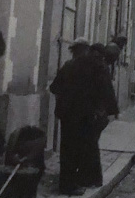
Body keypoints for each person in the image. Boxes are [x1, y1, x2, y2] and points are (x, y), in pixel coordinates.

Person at [50, 38, 112, 196]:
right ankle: (73, 185)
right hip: (84, 116)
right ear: (87, 50)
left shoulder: (68, 66)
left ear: (74, 51)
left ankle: (67, 184)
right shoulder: (93, 67)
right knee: (81, 150)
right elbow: (102, 90)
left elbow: (54, 88)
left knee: (67, 151)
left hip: (67, 115)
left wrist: (64, 100)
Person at [76, 43, 119, 189]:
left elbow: (103, 91)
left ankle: (91, 178)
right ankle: (91, 178)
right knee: (91, 145)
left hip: (94, 113)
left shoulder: (97, 68)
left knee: (89, 145)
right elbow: (109, 92)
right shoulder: (102, 68)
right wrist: (113, 111)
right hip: (99, 114)